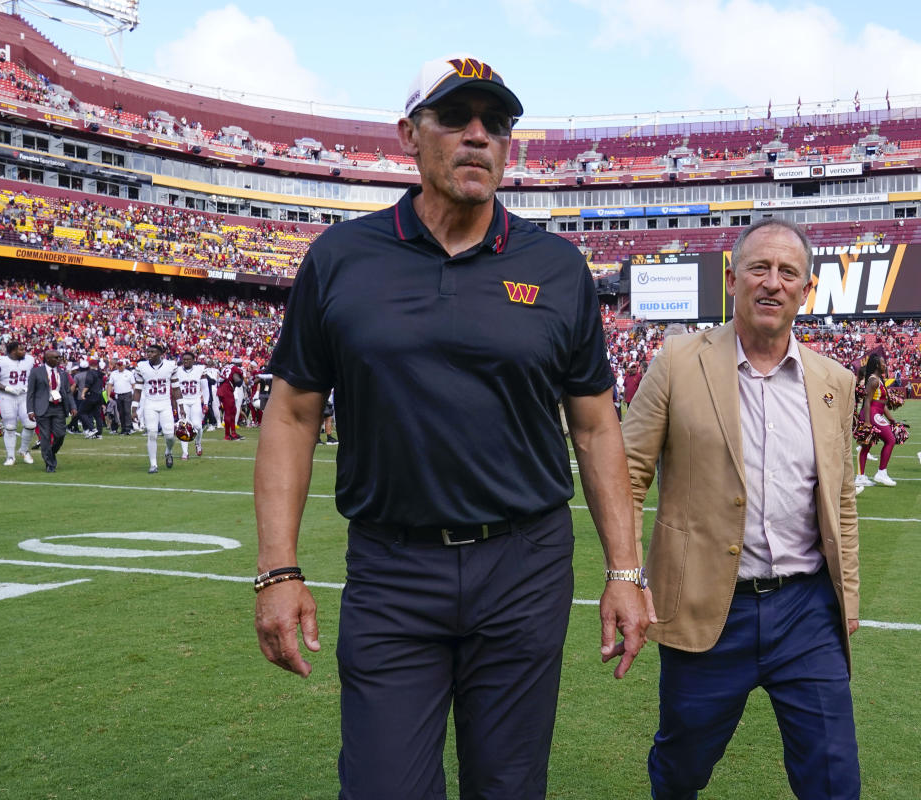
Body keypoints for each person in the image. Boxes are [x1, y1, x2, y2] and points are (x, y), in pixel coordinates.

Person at [253, 54, 647, 800]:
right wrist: (278, 568)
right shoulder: (341, 259)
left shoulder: (558, 268)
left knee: (508, 787)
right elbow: (294, 414)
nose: (477, 136)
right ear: (410, 133)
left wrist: (625, 572)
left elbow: (596, 429)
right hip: (393, 569)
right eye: (456, 119)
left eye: (495, 124)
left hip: (523, 566)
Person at [622, 219, 861, 800]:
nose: (772, 283)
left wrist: (847, 594)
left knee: (835, 777)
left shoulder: (835, 380)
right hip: (707, 604)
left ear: (807, 289)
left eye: (788, 272)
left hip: (807, 611)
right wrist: (626, 578)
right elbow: (625, 476)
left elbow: (842, 500)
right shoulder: (677, 361)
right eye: (759, 268)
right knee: (681, 768)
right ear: (733, 278)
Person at [26, 349, 77, 472]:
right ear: (48, 359)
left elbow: (68, 392)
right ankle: (50, 464)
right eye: (56, 357)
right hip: (42, 408)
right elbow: (31, 393)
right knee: (45, 437)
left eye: (59, 357)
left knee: (60, 435)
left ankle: (50, 453)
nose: (59, 359)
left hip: (59, 407)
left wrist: (73, 406)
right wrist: (30, 410)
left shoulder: (63, 373)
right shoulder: (36, 372)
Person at [132, 343, 180, 474]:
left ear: (160, 354)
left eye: (152, 352)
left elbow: (176, 388)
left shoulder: (170, 366)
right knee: (152, 433)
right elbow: (137, 389)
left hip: (165, 403)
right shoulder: (141, 367)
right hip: (150, 403)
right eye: (148, 352)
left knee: (170, 436)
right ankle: (153, 464)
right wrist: (134, 409)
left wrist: (180, 406)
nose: (149, 354)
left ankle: (168, 452)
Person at [0, 341, 35, 466]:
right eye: (21, 349)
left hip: (24, 396)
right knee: (9, 427)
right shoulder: (1, 361)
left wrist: (30, 387)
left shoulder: (29, 360)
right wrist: (8, 388)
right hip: (7, 397)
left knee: (31, 424)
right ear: (13, 351)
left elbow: (35, 376)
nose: (24, 351)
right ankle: (10, 456)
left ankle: (24, 450)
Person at [856, 353, 899, 487]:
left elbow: (882, 404)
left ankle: (860, 477)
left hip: (875, 413)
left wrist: (892, 419)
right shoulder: (873, 380)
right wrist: (867, 422)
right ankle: (881, 473)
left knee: (866, 446)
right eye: (882, 363)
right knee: (890, 440)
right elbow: (867, 401)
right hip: (872, 414)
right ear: (876, 365)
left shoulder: (878, 379)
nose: (885, 365)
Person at [175, 351, 207, 459]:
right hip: (183, 401)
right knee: (183, 427)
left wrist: (206, 403)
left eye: (188, 359)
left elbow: (205, 388)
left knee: (197, 426)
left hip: (195, 400)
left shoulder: (200, 369)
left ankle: (198, 443)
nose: (186, 361)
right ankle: (185, 452)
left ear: (193, 360)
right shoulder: (178, 371)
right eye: (184, 359)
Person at [108, 359, 135, 434]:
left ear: (124, 365)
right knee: (121, 412)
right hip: (118, 394)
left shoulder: (129, 373)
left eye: (121, 365)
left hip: (127, 393)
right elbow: (110, 384)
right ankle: (123, 428)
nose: (119, 367)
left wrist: (134, 394)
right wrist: (108, 395)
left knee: (127, 411)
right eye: (118, 365)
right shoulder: (113, 373)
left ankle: (128, 428)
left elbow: (133, 384)